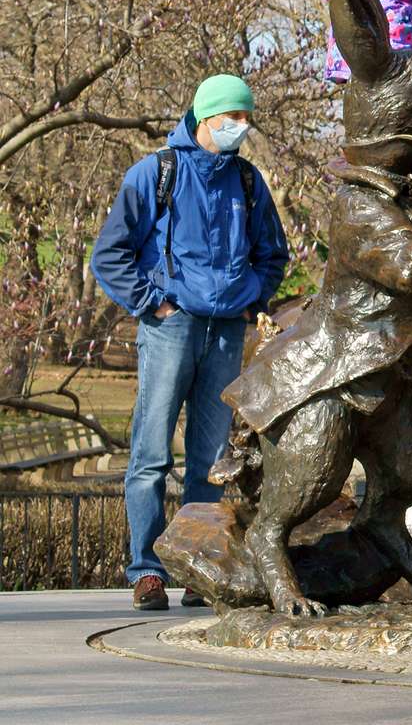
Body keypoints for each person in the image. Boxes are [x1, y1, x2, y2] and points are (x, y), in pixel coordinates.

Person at [90, 74, 291, 610]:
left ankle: (198, 570)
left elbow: (273, 253)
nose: (241, 128)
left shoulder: (248, 182)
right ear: (206, 117)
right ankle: (147, 570)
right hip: (170, 328)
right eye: (234, 117)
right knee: (151, 453)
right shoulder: (155, 173)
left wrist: (253, 298)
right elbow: (109, 254)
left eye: (246, 118)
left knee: (212, 459)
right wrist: (153, 303)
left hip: (227, 332)